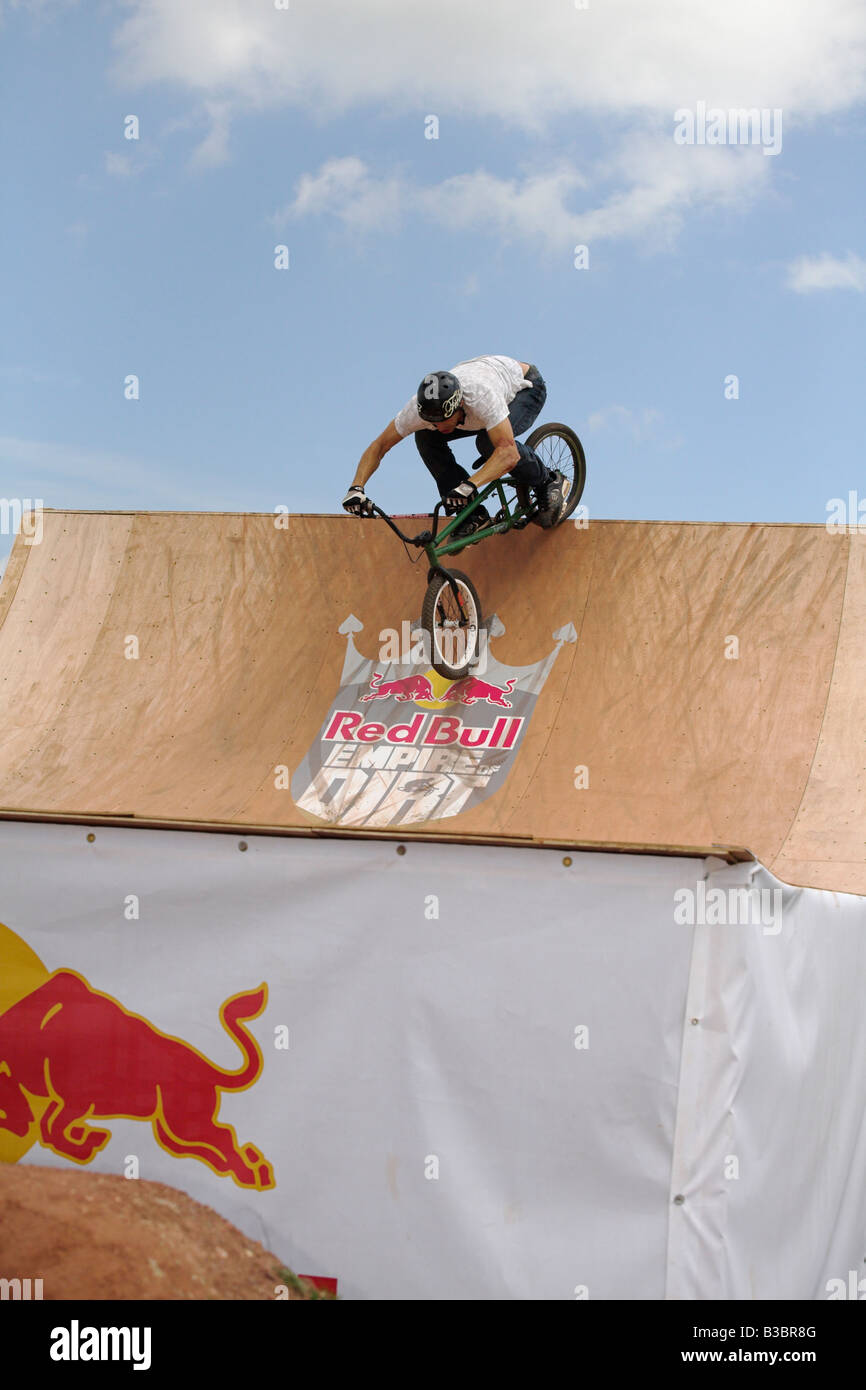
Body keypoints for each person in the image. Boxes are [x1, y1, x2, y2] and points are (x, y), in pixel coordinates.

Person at [342, 355, 566, 534]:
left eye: (444, 421)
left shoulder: (480, 395)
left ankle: (549, 481)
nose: (440, 427)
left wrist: (470, 485)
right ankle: (472, 513)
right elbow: (379, 446)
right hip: (482, 385)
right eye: (434, 422)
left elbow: (508, 454)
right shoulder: (416, 411)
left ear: (459, 404)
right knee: (425, 437)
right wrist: (356, 488)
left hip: (524, 388)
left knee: (491, 444)